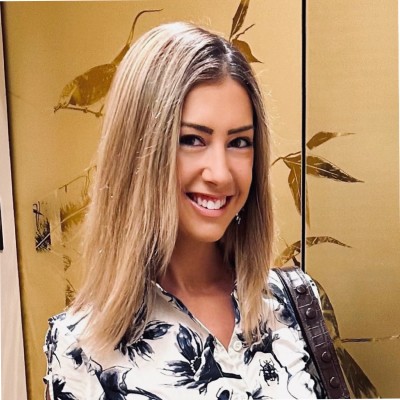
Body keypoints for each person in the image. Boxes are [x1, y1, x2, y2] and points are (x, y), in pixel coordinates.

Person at [44, 22, 326, 399]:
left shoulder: (295, 302)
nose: (220, 173)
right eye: (192, 139)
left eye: (239, 142)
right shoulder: (80, 349)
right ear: (138, 152)